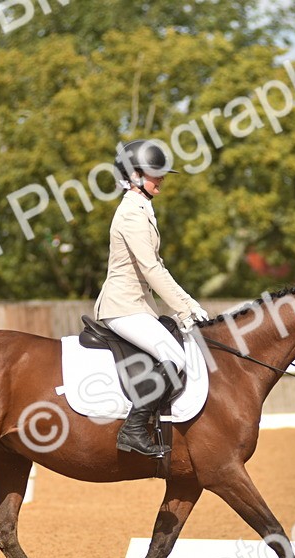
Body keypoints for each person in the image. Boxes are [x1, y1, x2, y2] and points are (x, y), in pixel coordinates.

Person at [94, 139, 209, 457]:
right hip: (123, 307)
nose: (161, 179)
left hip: (137, 306)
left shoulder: (143, 208)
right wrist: (185, 307)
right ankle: (133, 430)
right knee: (176, 359)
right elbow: (151, 269)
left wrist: (186, 302)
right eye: (154, 173)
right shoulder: (131, 213)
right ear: (133, 175)